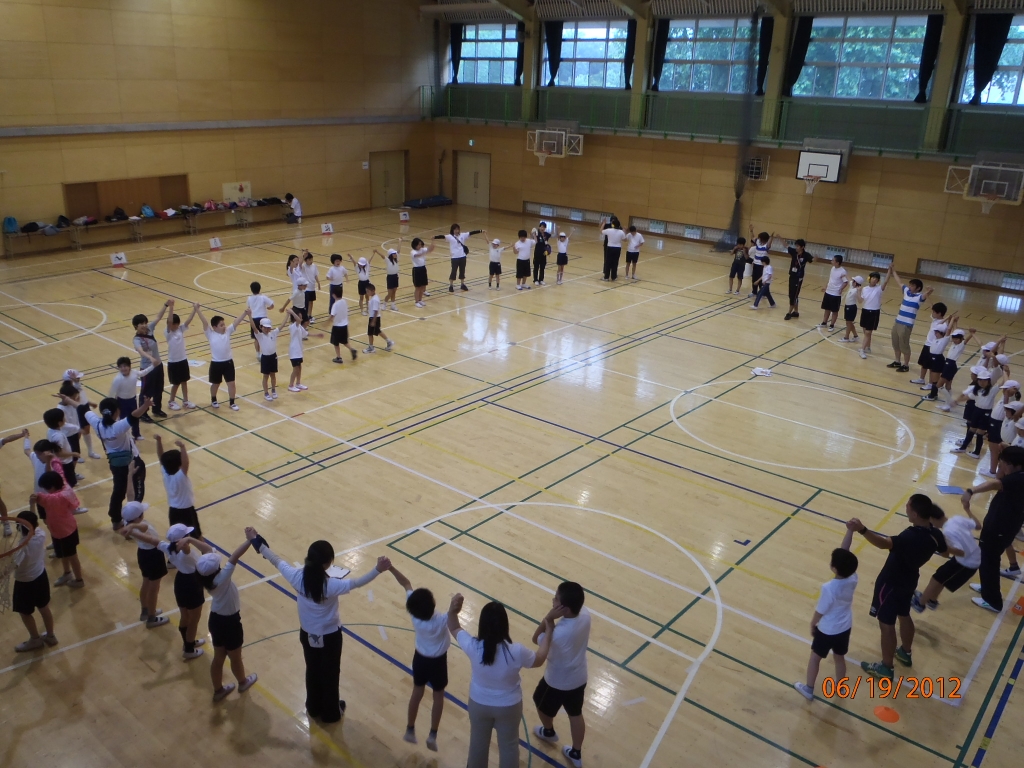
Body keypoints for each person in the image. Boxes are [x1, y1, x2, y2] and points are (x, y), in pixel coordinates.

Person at [246, 526, 389, 722]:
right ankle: (331, 713)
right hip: (330, 637)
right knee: (330, 674)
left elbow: (274, 559)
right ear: (327, 563)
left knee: (312, 670)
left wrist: (255, 539)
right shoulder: (331, 585)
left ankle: (313, 707)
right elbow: (357, 583)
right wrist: (378, 569)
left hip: (307, 634)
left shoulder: (296, 576)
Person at [449, 595, 554, 768]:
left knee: (477, 746)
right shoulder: (517, 651)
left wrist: (453, 611)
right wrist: (548, 633)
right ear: (505, 625)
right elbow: (540, 658)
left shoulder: (473, 646)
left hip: (479, 704)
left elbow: (453, 627)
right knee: (509, 747)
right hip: (509, 706)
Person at [853, 495, 948, 679]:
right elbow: (945, 553)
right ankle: (905, 652)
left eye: (908, 506)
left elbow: (884, 544)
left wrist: (862, 530)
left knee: (886, 624)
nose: (906, 508)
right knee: (904, 614)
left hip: (890, 582)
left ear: (915, 513)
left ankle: (886, 668)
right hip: (910, 580)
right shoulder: (935, 534)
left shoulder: (909, 536)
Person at [387, 566, 450, 751]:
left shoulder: (415, 617)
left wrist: (390, 568)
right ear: (433, 604)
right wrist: (456, 602)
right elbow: (454, 612)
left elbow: (405, 583)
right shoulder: (441, 620)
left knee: (417, 692)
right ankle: (432, 735)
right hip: (438, 662)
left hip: (420, 659)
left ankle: (410, 729)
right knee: (438, 696)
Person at [531, 582, 591, 768]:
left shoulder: (559, 634)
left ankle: (549, 731)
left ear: (564, 608)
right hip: (579, 677)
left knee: (540, 702)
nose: (553, 600)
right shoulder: (585, 615)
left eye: (556, 598)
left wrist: (548, 618)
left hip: (557, 682)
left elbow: (536, 638)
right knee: (575, 713)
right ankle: (576, 753)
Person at [130, 522, 211, 660]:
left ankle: (188, 641)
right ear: (184, 539)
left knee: (185, 616)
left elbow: (151, 540)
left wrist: (132, 531)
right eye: (187, 535)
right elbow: (208, 550)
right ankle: (189, 649)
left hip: (180, 582)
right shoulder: (187, 552)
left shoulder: (169, 548)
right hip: (192, 584)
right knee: (194, 619)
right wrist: (189, 540)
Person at [794, 527, 857, 702]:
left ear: (834, 568)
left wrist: (812, 623)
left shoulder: (829, 588)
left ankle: (809, 689)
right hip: (845, 627)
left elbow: (820, 611)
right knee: (839, 658)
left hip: (827, 630)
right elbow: (845, 553)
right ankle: (840, 687)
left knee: (815, 658)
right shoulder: (853, 578)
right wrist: (850, 532)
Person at [963, 446, 1024, 613]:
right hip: (1003, 525)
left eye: (1002, 462)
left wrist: (971, 491)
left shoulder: (1017, 479)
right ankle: (987, 588)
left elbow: (994, 483)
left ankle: (993, 601)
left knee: (989, 559)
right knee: (988, 558)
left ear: (1012, 464)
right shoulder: (1017, 476)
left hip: (1000, 527)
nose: (1000, 465)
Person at [196, 540, 258, 702]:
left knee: (218, 657)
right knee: (235, 657)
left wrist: (189, 539)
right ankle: (242, 682)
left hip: (216, 620)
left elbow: (208, 551)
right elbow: (235, 556)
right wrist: (250, 540)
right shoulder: (222, 578)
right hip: (230, 623)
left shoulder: (207, 579)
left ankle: (218, 690)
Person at [86, 397, 152, 530]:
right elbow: (134, 415)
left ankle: (116, 520)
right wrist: (145, 405)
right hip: (132, 463)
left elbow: (85, 410)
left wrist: (77, 402)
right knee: (136, 493)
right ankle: (133, 522)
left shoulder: (97, 424)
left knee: (118, 492)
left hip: (115, 464)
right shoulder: (118, 427)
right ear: (117, 411)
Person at [912, 504, 981, 612]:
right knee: (940, 578)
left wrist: (941, 546)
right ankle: (932, 600)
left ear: (932, 519)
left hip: (967, 564)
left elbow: (962, 552)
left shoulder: (948, 532)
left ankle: (920, 604)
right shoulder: (957, 519)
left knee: (936, 579)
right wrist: (967, 510)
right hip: (973, 556)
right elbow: (978, 526)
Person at [11, 511, 58, 652]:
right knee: (44, 607)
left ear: (19, 527)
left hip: (25, 583)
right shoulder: (40, 534)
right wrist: (32, 506)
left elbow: (12, 567)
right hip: (40, 576)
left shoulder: (21, 548)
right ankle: (51, 636)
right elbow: (32, 522)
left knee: (25, 613)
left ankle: (35, 639)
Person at [119, 498, 170, 629]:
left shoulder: (130, 524)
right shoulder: (136, 529)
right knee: (154, 588)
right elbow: (148, 533)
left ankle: (145, 611)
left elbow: (143, 526)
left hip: (143, 554)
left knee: (146, 582)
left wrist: (132, 526)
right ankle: (152, 618)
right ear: (138, 517)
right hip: (153, 555)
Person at [34, 471, 86, 589]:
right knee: (63, 554)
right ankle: (67, 573)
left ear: (52, 487)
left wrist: (35, 497)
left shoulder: (55, 499)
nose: (45, 491)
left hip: (64, 531)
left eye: (46, 488)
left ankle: (79, 580)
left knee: (72, 556)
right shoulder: (65, 489)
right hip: (63, 529)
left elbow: (42, 498)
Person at [195, 303, 249, 411]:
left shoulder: (227, 331)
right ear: (214, 327)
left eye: (224, 324)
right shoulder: (210, 334)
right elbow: (204, 322)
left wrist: (245, 313)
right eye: (221, 325)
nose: (224, 326)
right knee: (215, 384)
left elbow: (236, 322)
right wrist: (197, 310)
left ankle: (232, 402)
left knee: (231, 383)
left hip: (228, 363)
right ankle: (214, 399)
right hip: (216, 364)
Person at [887, 266, 933, 373]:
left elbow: (927, 294)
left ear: (918, 288)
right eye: (910, 285)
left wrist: (930, 291)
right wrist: (893, 271)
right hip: (898, 322)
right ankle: (897, 361)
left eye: (912, 285)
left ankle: (906, 365)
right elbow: (899, 282)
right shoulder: (906, 291)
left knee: (904, 345)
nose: (910, 286)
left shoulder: (919, 297)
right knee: (896, 343)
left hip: (906, 325)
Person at [155, 434, 201, 536]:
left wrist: (158, 441)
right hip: (187, 511)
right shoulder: (180, 476)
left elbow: (160, 457)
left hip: (173, 511)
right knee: (197, 536)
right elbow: (186, 463)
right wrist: (183, 447)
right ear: (179, 464)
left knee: (177, 537)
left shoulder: (165, 473)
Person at [132, 303, 170, 418]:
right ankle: (143, 413)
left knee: (159, 389)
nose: (144, 325)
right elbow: (140, 351)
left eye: (145, 323)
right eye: (141, 324)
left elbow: (158, 317)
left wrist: (166, 305)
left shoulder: (150, 329)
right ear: (136, 326)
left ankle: (156, 409)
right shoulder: (137, 339)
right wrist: (150, 358)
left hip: (158, 365)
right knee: (146, 391)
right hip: (147, 368)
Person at [952, 368, 999, 459]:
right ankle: (963, 448)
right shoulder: (977, 390)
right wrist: (956, 401)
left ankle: (977, 452)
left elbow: (1002, 382)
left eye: (984, 380)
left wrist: (1005, 372)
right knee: (971, 430)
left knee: (980, 433)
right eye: (980, 380)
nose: (982, 382)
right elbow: (968, 397)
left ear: (988, 381)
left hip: (985, 414)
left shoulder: (992, 390)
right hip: (977, 411)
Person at [981, 379, 1021, 478]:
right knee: (1000, 457)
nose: (1004, 391)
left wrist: (1009, 393)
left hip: (1007, 440)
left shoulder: (1014, 415)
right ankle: (996, 474)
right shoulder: (1007, 416)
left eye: (1007, 389)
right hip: (1001, 436)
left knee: (1003, 458)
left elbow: (1016, 414)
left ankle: (996, 473)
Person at [109, 356, 154, 439]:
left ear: (129, 366)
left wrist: (153, 366)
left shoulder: (134, 373)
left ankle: (136, 434)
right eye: (121, 367)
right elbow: (111, 393)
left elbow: (143, 373)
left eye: (125, 366)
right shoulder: (117, 379)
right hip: (121, 402)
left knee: (136, 417)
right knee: (123, 420)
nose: (123, 368)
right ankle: (124, 436)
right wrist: (112, 406)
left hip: (132, 400)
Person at [164, 299, 197, 410]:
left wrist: (195, 309)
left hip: (182, 360)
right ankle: (171, 401)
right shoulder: (168, 332)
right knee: (176, 383)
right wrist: (171, 307)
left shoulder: (180, 329)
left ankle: (185, 401)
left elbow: (188, 320)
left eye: (177, 324)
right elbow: (169, 321)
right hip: (173, 362)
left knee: (184, 381)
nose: (176, 326)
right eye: (174, 324)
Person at [63, 369, 101, 459]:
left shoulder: (77, 385)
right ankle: (76, 454)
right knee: (77, 433)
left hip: (84, 408)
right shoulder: (69, 390)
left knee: (86, 430)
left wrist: (89, 403)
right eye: (77, 378)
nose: (79, 379)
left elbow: (82, 397)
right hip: (77, 411)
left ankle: (90, 451)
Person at [434, 224, 484, 293]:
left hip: (462, 256)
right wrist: (435, 237)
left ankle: (462, 284)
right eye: (455, 229)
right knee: (453, 271)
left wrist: (480, 231)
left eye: (458, 229)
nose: (457, 231)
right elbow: (442, 236)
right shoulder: (450, 237)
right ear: (452, 230)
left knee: (462, 271)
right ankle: (451, 285)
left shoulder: (463, 235)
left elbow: (471, 233)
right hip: (455, 257)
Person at [936, 327, 976, 410]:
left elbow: (966, 340)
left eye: (957, 339)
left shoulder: (961, 345)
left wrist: (971, 333)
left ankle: (950, 402)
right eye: (953, 338)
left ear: (961, 338)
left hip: (950, 365)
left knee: (939, 385)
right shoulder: (953, 344)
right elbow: (954, 329)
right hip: (947, 364)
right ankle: (947, 404)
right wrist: (955, 322)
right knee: (948, 386)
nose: (954, 340)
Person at [910, 302, 949, 386]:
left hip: (933, 347)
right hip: (927, 344)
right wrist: (928, 297)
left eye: (934, 312)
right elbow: (931, 306)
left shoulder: (943, 325)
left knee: (931, 366)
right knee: (924, 364)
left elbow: (942, 327)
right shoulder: (935, 319)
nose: (932, 313)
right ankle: (921, 379)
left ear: (939, 313)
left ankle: (931, 383)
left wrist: (948, 319)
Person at [287, 308, 322, 391]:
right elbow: (298, 321)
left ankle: (298, 383)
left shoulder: (299, 327)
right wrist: (292, 312)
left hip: (299, 351)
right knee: (295, 369)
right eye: (300, 317)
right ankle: (291, 385)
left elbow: (306, 333)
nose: (301, 318)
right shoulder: (293, 326)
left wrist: (317, 335)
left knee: (299, 367)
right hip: (294, 351)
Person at [250, 316, 284, 401]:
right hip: (265, 358)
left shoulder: (273, 334)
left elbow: (282, 325)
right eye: (264, 327)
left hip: (273, 356)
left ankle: (273, 390)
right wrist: (249, 316)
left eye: (268, 327)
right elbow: (254, 327)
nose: (266, 329)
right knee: (266, 376)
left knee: (273, 375)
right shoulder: (259, 336)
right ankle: (266, 393)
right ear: (261, 327)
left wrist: (287, 315)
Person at [857, 271, 887, 359]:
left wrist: (890, 271)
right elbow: (860, 301)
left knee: (868, 332)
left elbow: (886, 281)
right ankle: (868, 347)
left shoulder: (879, 288)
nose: (874, 280)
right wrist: (858, 291)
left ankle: (862, 349)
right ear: (869, 278)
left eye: (876, 279)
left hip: (874, 312)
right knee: (865, 331)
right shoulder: (864, 289)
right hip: (865, 311)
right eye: (873, 278)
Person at [784, 239, 814, 319]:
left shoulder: (806, 255)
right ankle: (796, 312)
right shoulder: (794, 252)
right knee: (791, 294)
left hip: (798, 278)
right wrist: (780, 238)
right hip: (792, 276)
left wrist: (816, 259)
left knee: (794, 295)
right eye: (796, 246)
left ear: (802, 247)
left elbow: (812, 260)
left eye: (798, 246)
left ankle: (789, 313)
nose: (796, 247)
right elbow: (786, 246)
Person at [327, 286, 358, 363]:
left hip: (337, 326)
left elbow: (332, 315)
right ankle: (352, 349)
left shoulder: (335, 305)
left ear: (334, 295)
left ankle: (339, 357)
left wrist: (327, 322)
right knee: (344, 341)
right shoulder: (344, 301)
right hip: (344, 325)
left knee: (336, 343)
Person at [819, 255, 849, 331]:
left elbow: (845, 282)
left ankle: (832, 325)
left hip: (835, 294)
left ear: (837, 262)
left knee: (834, 311)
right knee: (827, 309)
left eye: (833, 260)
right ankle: (824, 322)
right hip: (828, 291)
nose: (831, 261)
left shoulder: (842, 272)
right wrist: (826, 287)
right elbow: (831, 280)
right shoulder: (832, 268)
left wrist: (841, 289)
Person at [246, 281, 275, 356]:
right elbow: (272, 305)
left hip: (254, 319)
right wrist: (269, 308)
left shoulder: (249, 298)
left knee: (256, 338)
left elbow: (248, 308)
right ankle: (265, 350)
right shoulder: (263, 297)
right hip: (263, 319)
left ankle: (258, 353)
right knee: (266, 335)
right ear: (260, 289)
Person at [746, 228, 775, 298]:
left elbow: (769, 243)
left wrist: (771, 237)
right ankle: (754, 292)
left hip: (762, 265)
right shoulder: (758, 242)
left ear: (763, 239)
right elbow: (753, 238)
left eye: (760, 238)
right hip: (755, 264)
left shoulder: (766, 246)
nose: (758, 239)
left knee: (761, 279)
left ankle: (763, 293)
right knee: (754, 278)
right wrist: (751, 231)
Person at [364, 283, 393, 353]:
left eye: (368, 291)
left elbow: (376, 311)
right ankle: (389, 342)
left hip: (374, 318)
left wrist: (373, 321)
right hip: (374, 317)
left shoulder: (375, 299)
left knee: (370, 333)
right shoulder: (374, 298)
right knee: (377, 331)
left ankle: (371, 348)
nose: (367, 293)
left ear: (373, 291)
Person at [598, 217, 626, 282]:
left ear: (613, 225)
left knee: (608, 262)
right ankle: (614, 277)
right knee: (615, 262)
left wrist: (603, 223)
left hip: (610, 248)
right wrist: (624, 232)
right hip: (618, 249)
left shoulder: (609, 230)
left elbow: (601, 231)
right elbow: (625, 240)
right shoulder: (621, 232)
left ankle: (606, 277)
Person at [410, 238, 434, 307]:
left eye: (420, 244)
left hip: (423, 268)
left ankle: (420, 300)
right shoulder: (413, 252)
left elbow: (430, 249)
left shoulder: (422, 250)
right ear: (415, 245)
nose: (420, 246)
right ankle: (416, 301)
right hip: (417, 269)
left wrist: (433, 241)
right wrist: (424, 252)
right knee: (418, 287)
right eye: (419, 245)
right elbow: (418, 255)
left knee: (422, 286)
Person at [840, 276, 862, 342]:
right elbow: (849, 279)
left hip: (851, 307)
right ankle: (855, 336)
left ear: (856, 283)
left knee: (849, 323)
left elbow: (860, 301)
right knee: (849, 322)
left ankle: (846, 337)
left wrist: (859, 291)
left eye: (854, 280)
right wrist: (844, 274)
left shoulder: (857, 290)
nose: (852, 281)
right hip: (847, 306)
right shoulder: (852, 286)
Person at [302, 251, 321, 321]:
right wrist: (303, 256)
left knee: (311, 302)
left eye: (311, 259)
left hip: (312, 287)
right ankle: (305, 317)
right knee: (305, 304)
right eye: (309, 260)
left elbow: (316, 275)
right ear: (306, 260)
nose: (311, 261)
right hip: (306, 289)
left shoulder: (314, 266)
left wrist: (318, 283)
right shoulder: (303, 266)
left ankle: (309, 315)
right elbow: (300, 263)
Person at [533, 222, 551, 286]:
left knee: (542, 267)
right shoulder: (537, 233)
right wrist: (533, 233)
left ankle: (541, 280)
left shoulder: (546, 234)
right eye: (541, 227)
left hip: (544, 253)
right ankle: (535, 280)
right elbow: (532, 238)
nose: (542, 228)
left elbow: (554, 235)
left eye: (543, 227)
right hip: (537, 253)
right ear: (539, 227)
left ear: (545, 228)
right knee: (536, 267)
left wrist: (558, 230)